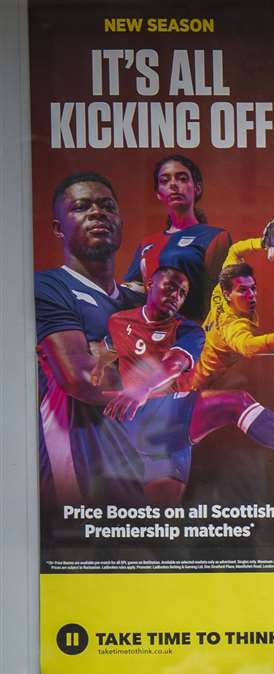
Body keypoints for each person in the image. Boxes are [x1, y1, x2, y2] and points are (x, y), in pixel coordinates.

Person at [103, 250, 274, 505]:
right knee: (237, 403)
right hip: (145, 415)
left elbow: (175, 362)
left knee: (162, 512)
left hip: (169, 421)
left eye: (183, 293)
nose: (177, 296)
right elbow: (102, 353)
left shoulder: (190, 329)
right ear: (150, 285)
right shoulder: (118, 322)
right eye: (171, 288)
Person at [34, 172, 144, 505]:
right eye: (81, 207)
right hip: (78, 476)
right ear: (58, 229)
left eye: (107, 206)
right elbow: (83, 380)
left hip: (136, 465)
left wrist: (104, 353)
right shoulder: (47, 287)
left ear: (120, 222)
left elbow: (193, 368)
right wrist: (155, 367)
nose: (98, 213)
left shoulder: (138, 302)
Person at [188, 219, 274, 391]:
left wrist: (261, 243)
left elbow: (234, 250)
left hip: (186, 356)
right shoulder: (232, 326)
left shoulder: (222, 286)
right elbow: (247, 346)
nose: (251, 295)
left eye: (253, 288)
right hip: (191, 386)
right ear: (227, 294)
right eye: (243, 290)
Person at [124, 154, 231, 324]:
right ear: (159, 194)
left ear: (197, 188)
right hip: (150, 338)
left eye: (181, 178)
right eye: (165, 181)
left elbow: (223, 297)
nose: (173, 184)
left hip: (194, 336)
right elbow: (134, 293)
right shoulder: (146, 243)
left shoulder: (216, 237)